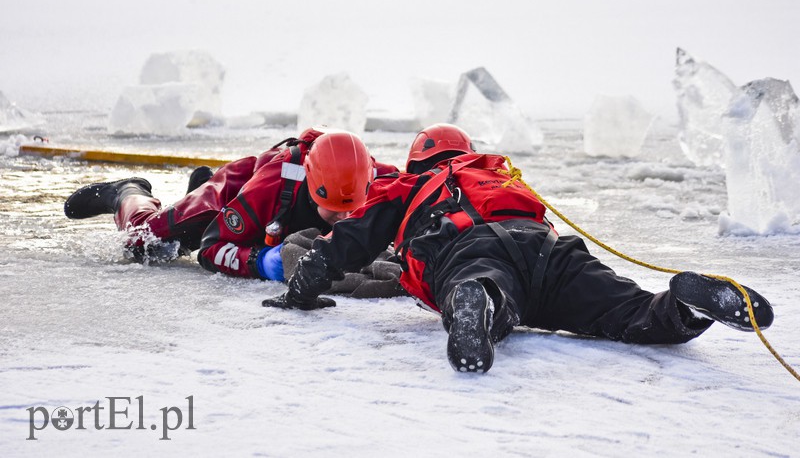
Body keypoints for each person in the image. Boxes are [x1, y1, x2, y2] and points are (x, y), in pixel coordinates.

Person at [262, 123, 775, 374]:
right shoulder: (496, 174)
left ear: (420, 161)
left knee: (486, 285)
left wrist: (300, 293)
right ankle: (682, 305)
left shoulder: (409, 187)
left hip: (464, 246)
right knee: (635, 316)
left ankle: (478, 299)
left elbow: (344, 244)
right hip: (549, 250)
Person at [63, 128, 402, 291]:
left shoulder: (386, 181)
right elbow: (210, 250)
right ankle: (128, 191)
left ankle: (196, 183)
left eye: (351, 211)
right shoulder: (273, 184)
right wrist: (261, 263)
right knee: (148, 245)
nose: (344, 220)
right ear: (312, 186)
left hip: (267, 210)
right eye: (333, 210)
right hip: (236, 191)